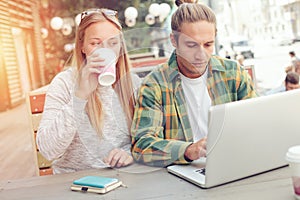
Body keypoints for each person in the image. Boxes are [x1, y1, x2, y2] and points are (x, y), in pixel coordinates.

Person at [131, 1, 257, 167]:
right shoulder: (154, 85)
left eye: (208, 44)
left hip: (233, 164)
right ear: (174, 41)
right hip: (183, 178)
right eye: (191, 45)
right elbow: (142, 146)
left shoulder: (234, 73)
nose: (201, 55)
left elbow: (256, 123)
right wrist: (189, 150)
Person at [37, 8, 141, 174]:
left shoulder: (132, 84)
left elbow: (148, 138)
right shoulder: (64, 83)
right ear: (82, 47)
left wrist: (131, 154)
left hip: (122, 176)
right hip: (73, 181)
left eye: (113, 43)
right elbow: (48, 149)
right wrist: (80, 95)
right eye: (95, 43)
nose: (105, 50)